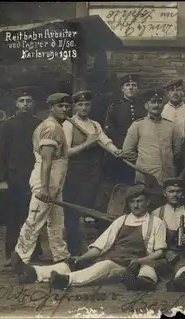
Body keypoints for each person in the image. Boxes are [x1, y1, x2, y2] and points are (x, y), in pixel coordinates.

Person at [11, 185, 167, 291]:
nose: (136, 205)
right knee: (73, 263)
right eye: (132, 202)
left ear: (147, 202)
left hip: (131, 265)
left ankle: (66, 280)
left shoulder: (156, 222)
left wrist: (140, 261)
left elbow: (159, 252)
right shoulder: (122, 220)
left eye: (140, 201)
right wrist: (82, 258)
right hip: (111, 257)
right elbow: (101, 246)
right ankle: (33, 272)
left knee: (103, 266)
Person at [12, 93, 72, 266]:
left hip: (55, 182)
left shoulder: (55, 126)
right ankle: (20, 258)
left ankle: (61, 257)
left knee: (56, 221)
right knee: (35, 220)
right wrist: (44, 188)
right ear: (51, 108)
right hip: (45, 181)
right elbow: (47, 161)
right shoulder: (50, 127)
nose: (65, 109)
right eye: (60, 106)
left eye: (68, 106)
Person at [62, 90, 123, 256]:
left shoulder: (95, 124)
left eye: (87, 104)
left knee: (91, 210)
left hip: (93, 172)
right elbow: (66, 152)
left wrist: (116, 151)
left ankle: (92, 249)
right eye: (80, 104)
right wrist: (87, 144)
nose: (84, 108)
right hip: (75, 173)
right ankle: (73, 249)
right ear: (75, 107)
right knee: (73, 211)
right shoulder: (68, 124)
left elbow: (105, 141)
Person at [0, 86, 44, 267]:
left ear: (33, 103)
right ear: (16, 103)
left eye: (28, 101)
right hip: (15, 179)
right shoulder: (8, 124)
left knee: (33, 215)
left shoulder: (40, 124)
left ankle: (34, 252)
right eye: (21, 101)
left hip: (35, 177)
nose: (25, 104)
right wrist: (2, 179)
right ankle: (12, 254)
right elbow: (0, 153)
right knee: (15, 217)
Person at [151, 178, 185, 291]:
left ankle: (179, 282)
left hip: (184, 257)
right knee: (147, 270)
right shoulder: (156, 214)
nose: (175, 194)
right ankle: (148, 280)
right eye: (171, 191)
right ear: (164, 193)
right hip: (161, 257)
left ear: (183, 193)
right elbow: (150, 242)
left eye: (178, 191)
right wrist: (165, 252)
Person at [122, 87, 182, 186]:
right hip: (145, 176)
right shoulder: (137, 125)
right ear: (146, 105)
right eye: (153, 102)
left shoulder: (172, 126)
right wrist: (145, 162)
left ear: (163, 105)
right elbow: (127, 151)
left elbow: (177, 151)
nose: (156, 105)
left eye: (159, 102)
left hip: (167, 176)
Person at [104, 74, 146, 185]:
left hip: (141, 153)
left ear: (138, 88)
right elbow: (109, 131)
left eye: (134, 85)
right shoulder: (114, 107)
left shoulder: (144, 106)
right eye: (127, 85)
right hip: (122, 153)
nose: (131, 88)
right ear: (122, 89)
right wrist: (123, 150)